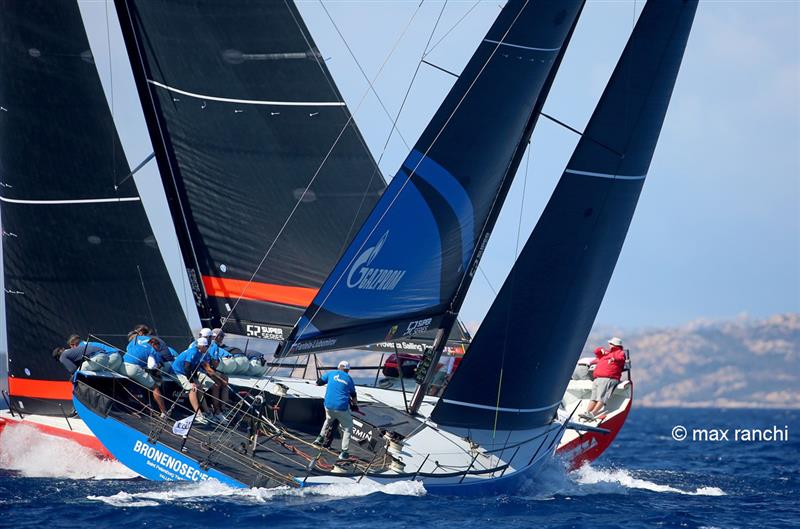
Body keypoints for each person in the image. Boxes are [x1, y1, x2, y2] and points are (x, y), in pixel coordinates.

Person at [314, 360, 357, 460]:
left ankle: (319, 438)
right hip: (341, 408)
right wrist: (354, 405)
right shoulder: (349, 378)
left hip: (328, 406)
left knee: (329, 419)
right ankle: (344, 452)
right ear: (347, 370)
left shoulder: (330, 373)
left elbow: (318, 383)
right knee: (348, 427)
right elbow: (353, 395)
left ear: (338, 367)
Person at [169, 337, 218, 424]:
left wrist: (196, 381)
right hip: (177, 372)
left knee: (199, 387)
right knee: (193, 388)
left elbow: (194, 367)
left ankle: (207, 412)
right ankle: (198, 414)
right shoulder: (193, 351)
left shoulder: (199, 353)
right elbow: (187, 366)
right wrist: (192, 382)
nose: (208, 348)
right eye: (206, 346)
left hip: (185, 372)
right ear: (202, 346)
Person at [122, 332, 168, 416]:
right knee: (155, 387)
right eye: (158, 346)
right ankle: (164, 412)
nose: (158, 349)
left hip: (122, 366)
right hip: (132, 368)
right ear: (154, 344)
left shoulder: (136, 346)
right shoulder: (151, 349)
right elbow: (151, 366)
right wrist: (158, 365)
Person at [580, 337, 627, 420]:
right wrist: (602, 350)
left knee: (601, 397)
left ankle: (592, 413)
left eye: (610, 343)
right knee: (594, 397)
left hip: (608, 378)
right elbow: (597, 351)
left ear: (613, 345)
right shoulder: (607, 353)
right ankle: (587, 412)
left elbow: (621, 358)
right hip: (598, 379)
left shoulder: (619, 352)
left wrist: (612, 357)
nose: (608, 345)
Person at [53, 342, 118, 374]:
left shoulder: (62, 356)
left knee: (78, 374)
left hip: (97, 358)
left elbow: (73, 369)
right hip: (105, 357)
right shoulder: (70, 351)